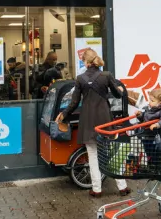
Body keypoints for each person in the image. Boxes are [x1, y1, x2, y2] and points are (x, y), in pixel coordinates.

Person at [55, 48, 130, 198]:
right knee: (111, 153)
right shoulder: (106, 75)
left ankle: (96, 189)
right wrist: (120, 89)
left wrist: (63, 114)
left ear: (86, 62)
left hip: (88, 121)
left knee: (92, 154)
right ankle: (122, 187)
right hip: (105, 120)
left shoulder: (80, 78)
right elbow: (117, 95)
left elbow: (74, 102)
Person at [135, 88, 161, 173]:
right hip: (147, 136)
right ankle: (152, 168)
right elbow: (145, 118)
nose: (149, 102)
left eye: (152, 100)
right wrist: (140, 115)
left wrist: (157, 124)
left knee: (156, 155)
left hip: (156, 138)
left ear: (160, 103)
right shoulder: (151, 109)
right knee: (149, 154)